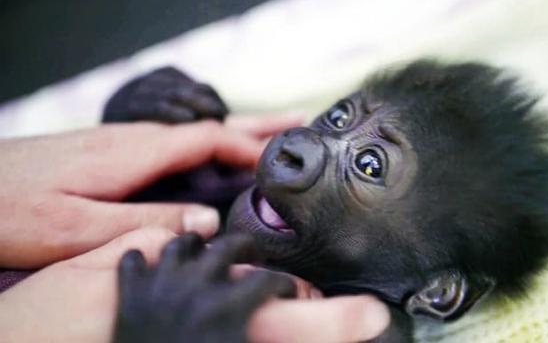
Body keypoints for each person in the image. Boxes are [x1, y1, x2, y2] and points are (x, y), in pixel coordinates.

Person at [0, 114, 390, 342]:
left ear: (437, 292)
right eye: (339, 118)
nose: (297, 146)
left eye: (371, 165)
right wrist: (145, 112)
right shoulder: (233, 187)